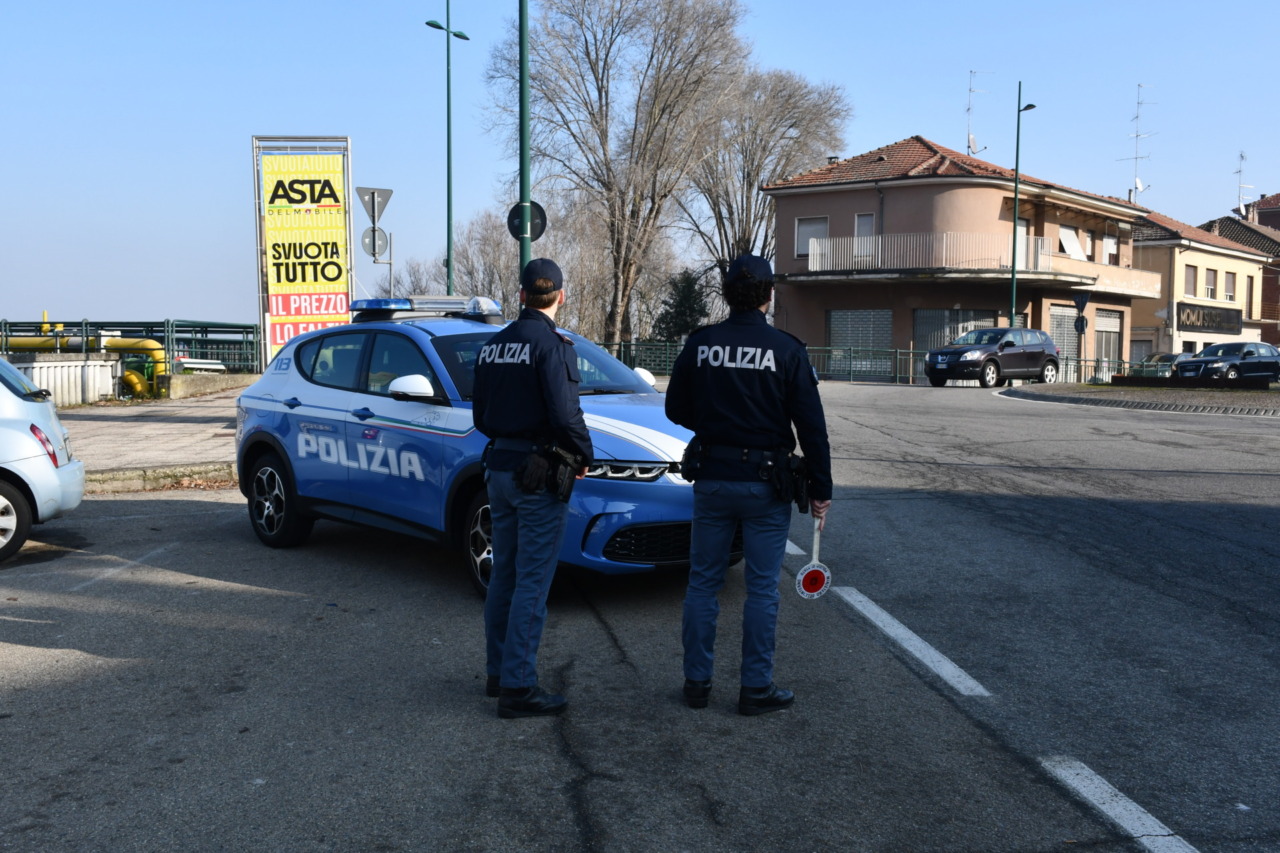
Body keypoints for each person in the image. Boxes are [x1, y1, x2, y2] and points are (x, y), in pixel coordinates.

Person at [664, 253, 832, 716]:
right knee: (761, 589)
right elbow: (811, 428)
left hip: (713, 478)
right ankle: (755, 688)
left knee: (702, 584)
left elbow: (675, 408)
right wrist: (821, 489)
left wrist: (715, 426)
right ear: (769, 295)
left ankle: (696, 684)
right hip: (765, 483)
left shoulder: (701, 344)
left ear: (726, 294)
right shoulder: (786, 349)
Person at [472, 258, 593, 719]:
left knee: (504, 573)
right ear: (560, 296)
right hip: (539, 475)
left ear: (521, 294)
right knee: (533, 582)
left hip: (500, 468)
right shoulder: (553, 345)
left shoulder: (492, 347)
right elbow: (565, 415)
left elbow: (481, 417)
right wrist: (584, 454)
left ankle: (498, 674)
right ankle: (519, 687)